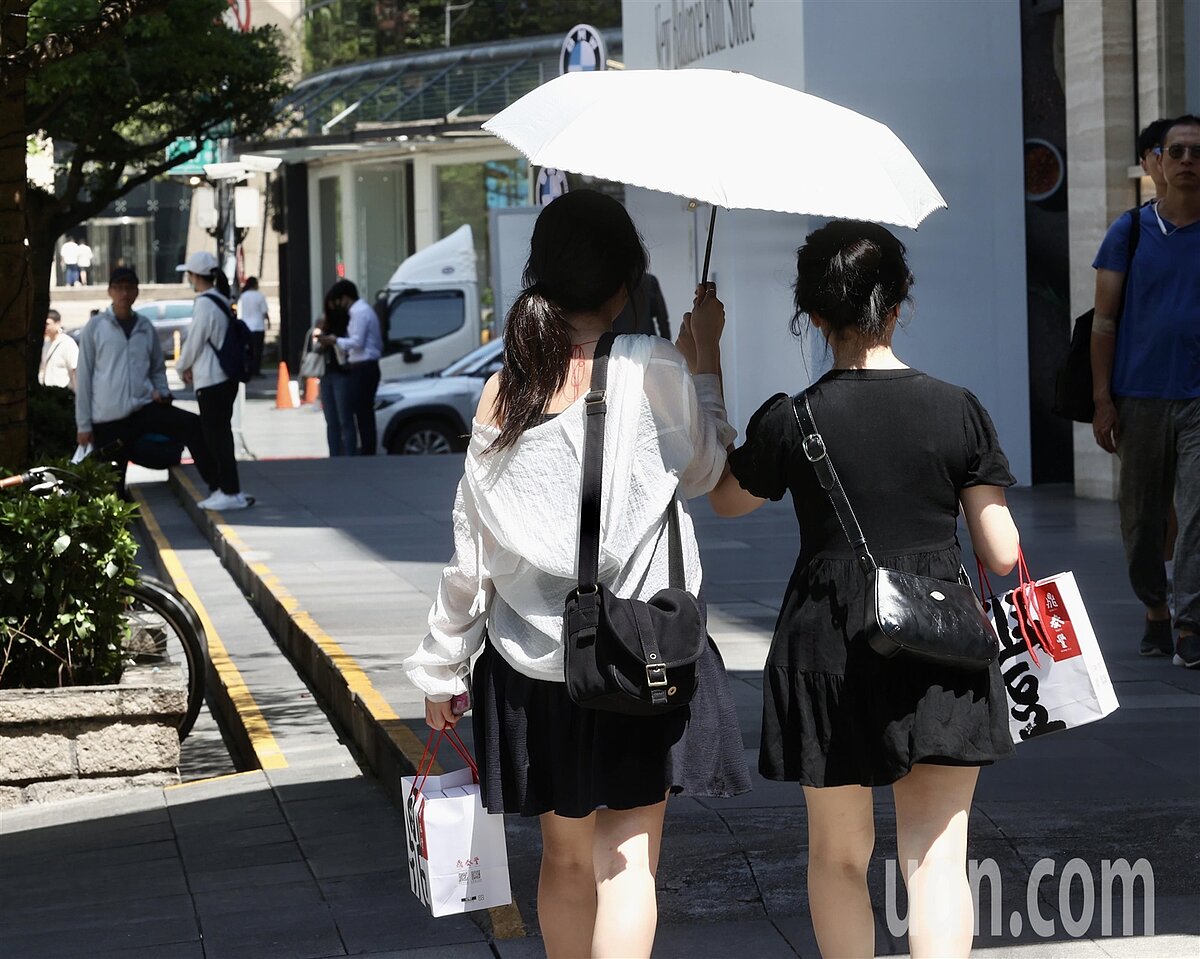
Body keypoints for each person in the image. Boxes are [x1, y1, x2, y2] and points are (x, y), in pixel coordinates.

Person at [402, 190, 750, 959]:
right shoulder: (653, 366)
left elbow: (473, 553)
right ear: (626, 284)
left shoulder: (504, 388)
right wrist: (706, 364)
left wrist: (440, 668)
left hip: (533, 667)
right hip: (637, 655)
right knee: (626, 862)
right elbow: (707, 472)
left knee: (562, 859)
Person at [707, 220, 1020, 959]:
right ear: (899, 304)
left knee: (839, 856)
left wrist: (705, 358)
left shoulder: (795, 417)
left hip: (828, 643)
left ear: (812, 314)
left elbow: (724, 498)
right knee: (937, 858)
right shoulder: (959, 408)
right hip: (939, 642)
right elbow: (1001, 552)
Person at [1091, 114, 1200, 667]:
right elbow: (1104, 323)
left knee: (1198, 509)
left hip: (1199, 400)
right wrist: (1103, 398)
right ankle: (1155, 607)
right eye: (1176, 151)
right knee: (1141, 520)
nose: (1187, 161)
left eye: (1196, 153)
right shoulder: (1129, 231)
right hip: (1138, 399)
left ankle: (1190, 624)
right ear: (1156, 162)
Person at [75, 266, 218, 496]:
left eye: (129, 288)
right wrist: (83, 424)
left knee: (192, 425)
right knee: (113, 486)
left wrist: (161, 390)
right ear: (110, 291)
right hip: (109, 419)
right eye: (119, 288)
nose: (124, 294)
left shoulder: (144, 327)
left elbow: (157, 368)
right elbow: (83, 378)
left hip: (143, 409)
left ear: (136, 292)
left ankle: (217, 485)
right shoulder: (96, 327)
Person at [175, 251, 253, 511]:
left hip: (212, 381)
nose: (188, 279)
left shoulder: (205, 303)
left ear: (196, 276)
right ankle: (228, 489)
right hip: (222, 378)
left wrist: (181, 366)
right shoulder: (220, 300)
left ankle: (228, 491)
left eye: (189, 274)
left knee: (216, 437)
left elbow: (195, 339)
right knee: (221, 435)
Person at [318, 279, 382, 455]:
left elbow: (357, 342)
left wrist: (335, 340)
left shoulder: (358, 312)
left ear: (345, 298)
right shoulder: (362, 310)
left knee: (362, 412)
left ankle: (367, 450)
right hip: (362, 365)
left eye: (340, 301)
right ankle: (366, 449)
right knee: (362, 412)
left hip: (363, 365)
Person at [313, 302, 356, 457]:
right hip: (327, 373)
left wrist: (333, 340)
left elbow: (349, 348)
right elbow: (316, 350)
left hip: (340, 373)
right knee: (332, 420)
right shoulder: (325, 334)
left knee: (343, 419)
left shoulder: (344, 331)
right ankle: (335, 454)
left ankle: (347, 454)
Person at [613, 271, 671, 338]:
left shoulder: (613, 282)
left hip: (620, 341)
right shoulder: (650, 280)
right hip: (647, 340)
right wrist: (666, 342)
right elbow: (662, 317)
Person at [238, 276, 270, 376]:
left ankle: (248, 369)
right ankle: (256, 370)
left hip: (246, 326)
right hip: (258, 326)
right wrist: (268, 322)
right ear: (255, 284)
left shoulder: (243, 296)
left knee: (247, 350)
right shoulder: (259, 296)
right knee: (258, 350)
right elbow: (264, 312)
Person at [39, 309, 78, 391]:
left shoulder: (68, 343)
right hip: (47, 392)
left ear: (57, 323)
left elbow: (75, 370)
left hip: (63, 393)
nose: (45, 327)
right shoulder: (46, 344)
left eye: (48, 324)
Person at [1137, 118, 1172, 201]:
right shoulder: (1136, 214)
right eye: (1158, 150)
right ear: (1144, 166)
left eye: (1175, 150)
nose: (1164, 158)